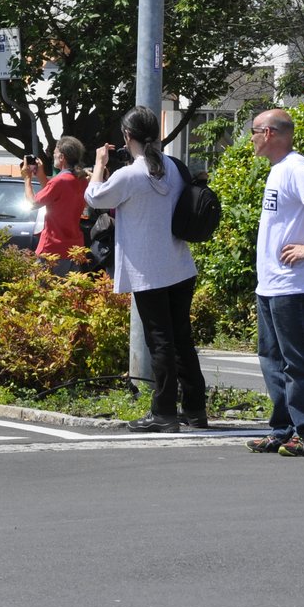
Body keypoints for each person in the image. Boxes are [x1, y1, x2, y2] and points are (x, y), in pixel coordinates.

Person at [84, 107, 205, 434]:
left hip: (148, 271)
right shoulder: (174, 168)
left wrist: (99, 165)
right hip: (180, 264)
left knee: (160, 340)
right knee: (181, 338)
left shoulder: (129, 175)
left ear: (127, 137)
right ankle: (195, 409)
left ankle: (163, 412)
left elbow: (94, 197)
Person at [249, 108, 304, 457]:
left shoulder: (296, 167)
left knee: (298, 362)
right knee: (272, 359)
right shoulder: (278, 170)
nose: (251, 138)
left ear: (269, 133)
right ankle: (282, 429)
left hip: (293, 286)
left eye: (254, 130)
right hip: (271, 285)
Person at [24, 136, 91, 272]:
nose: (52, 155)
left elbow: (33, 203)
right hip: (74, 248)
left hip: (52, 248)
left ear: (62, 157)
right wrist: (41, 175)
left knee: (41, 290)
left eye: (54, 152)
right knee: (69, 292)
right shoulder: (82, 180)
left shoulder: (60, 181)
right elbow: (54, 195)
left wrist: (27, 178)